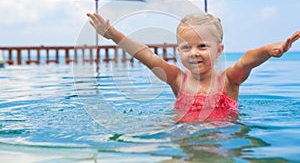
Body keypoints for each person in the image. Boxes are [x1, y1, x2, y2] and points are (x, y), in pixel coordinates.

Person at [87, 12, 300, 123]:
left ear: (219, 50)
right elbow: (148, 56)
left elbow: (247, 60)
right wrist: (114, 35)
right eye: (186, 47)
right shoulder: (178, 79)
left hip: (223, 137)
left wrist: (271, 49)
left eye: (202, 46)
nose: (194, 52)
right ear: (178, 51)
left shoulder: (229, 79)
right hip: (182, 133)